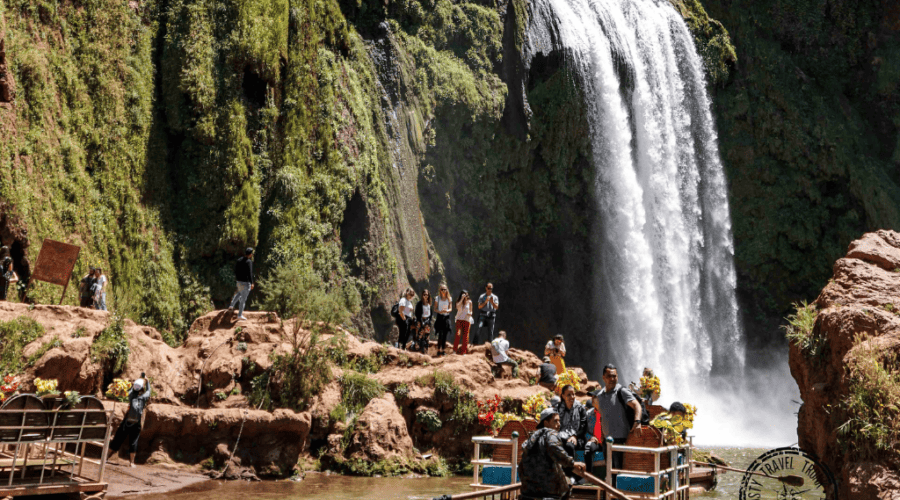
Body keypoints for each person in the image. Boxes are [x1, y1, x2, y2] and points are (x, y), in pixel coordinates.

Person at [590, 364, 643, 480]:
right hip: (607, 442)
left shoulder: (622, 391)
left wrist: (637, 421)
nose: (612, 379)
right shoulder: (599, 396)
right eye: (609, 376)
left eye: (614, 376)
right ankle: (611, 496)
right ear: (603, 377)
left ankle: (620, 496)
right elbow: (602, 416)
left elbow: (637, 406)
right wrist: (601, 435)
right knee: (610, 472)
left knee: (621, 473)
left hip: (621, 440)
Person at [520, 407, 586, 500]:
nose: (559, 424)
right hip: (548, 489)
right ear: (546, 423)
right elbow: (554, 448)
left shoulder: (531, 438)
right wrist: (572, 463)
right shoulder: (551, 434)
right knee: (568, 483)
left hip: (528, 488)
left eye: (559, 421)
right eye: (555, 421)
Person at [108, 374, 151, 467]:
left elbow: (134, 389)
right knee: (130, 442)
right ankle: (131, 462)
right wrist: (147, 382)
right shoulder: (140, 398)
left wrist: (139, 379)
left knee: (122, 440)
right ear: (141, 389)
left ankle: (107, 458)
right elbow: (148, 391)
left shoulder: (134, 396)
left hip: (129, 423)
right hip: (133, 423)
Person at [554, 384, 587, 482]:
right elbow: (554, 423)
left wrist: (575, 436)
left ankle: (570, 476)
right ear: (563, 396)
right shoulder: (558, 408)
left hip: (578, 437)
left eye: (573, 394)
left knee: (569, 446)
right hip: (561, 435)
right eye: (569, 395)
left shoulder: (580, 408)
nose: (572, 397)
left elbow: (583, 426)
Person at [227, 248, 255, 320]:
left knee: (239, 293)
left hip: (239, 282)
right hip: (246, 283)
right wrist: (252, 283)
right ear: (250, 254)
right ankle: (239, 315)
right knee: (243, 300)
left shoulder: (239, 260)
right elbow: (250, 273)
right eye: (252, 253)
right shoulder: (249, 262)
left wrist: (238, 279)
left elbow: (235, 270)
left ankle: (231, 305)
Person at [582, 392, 604, 478]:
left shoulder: (608, 412)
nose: (593, 399)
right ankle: (589, 475)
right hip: (595, 440)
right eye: (593, 397)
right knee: (588, 447)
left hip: (606, 440)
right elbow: (584, 431)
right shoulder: (589, 413)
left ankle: (610, 478)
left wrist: (604, 438)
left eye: (595, 397)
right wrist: (590, 437)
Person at [453, 290, 473, 354]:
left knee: (465, 336)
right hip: (459, 319)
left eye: (467, 295)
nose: (466, 296)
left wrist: (470, 313)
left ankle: (464, 351)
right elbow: (457, 307)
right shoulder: (459, 301)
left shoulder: (470, 302)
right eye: (464, 295)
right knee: (458, 334)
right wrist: (462, 299)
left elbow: (471, 311)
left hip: (467, 320)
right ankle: (454, 350)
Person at [434, 285, 452, 356]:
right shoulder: (437, 298)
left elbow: (451, 309)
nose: (443, 291)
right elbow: (435, 309)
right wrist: (439, 311)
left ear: (447, 290)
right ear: (440, 290)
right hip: (440, 317)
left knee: (445, 334)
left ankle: (443, 350)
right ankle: (438, 350)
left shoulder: (449, 298)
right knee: (440, 334)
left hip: (446, 317)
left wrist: (446, 310)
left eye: (445, 289)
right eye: (442, 289)